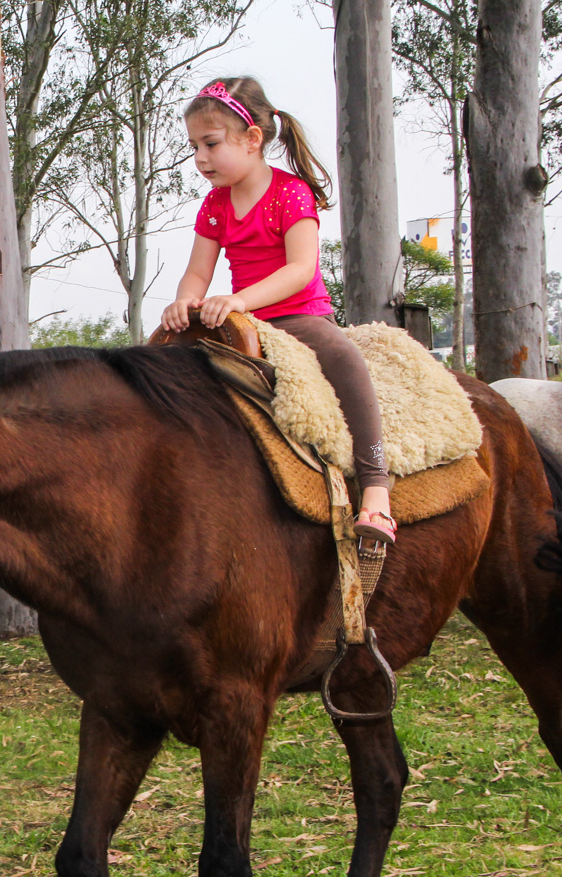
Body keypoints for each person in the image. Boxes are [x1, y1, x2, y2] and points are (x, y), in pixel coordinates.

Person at [160, 76, 395, 544]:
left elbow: (301, 269)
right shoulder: (215, 203)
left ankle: (376, 490)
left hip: (298, 317)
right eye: (194, 147)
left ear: (252, 140)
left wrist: (240, 300)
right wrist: (184, 299)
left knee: (346, 360)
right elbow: (197, 273)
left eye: (210, 144)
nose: (200, 158)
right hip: (241, 319)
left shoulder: (290, 193)